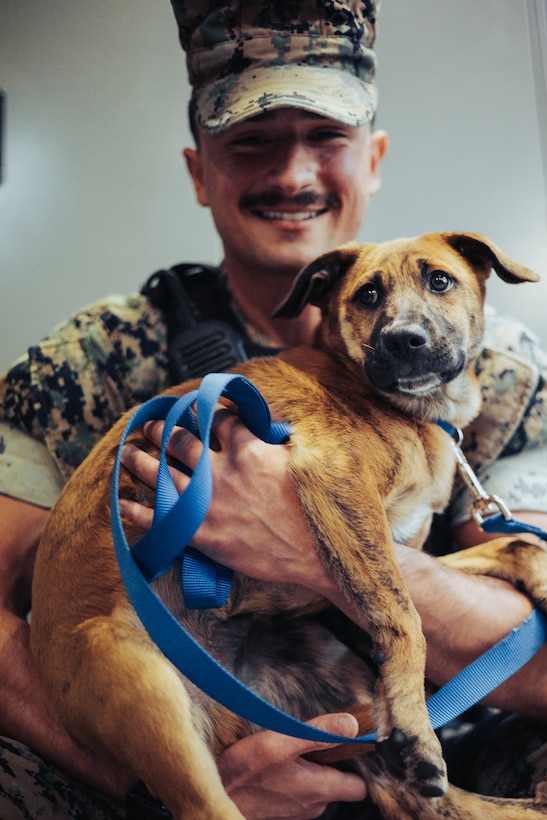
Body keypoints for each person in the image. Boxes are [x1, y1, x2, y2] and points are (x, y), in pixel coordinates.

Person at [1, 1, 547, 817]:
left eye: (326, 139)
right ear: (198, 171)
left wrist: (311, 549)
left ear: (374, 159)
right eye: (251, 141)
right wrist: (168, 779)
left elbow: (536, 660)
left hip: (406, 725)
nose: (292, 175)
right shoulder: (90, 356)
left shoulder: (499, 372)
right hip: (165, 713)